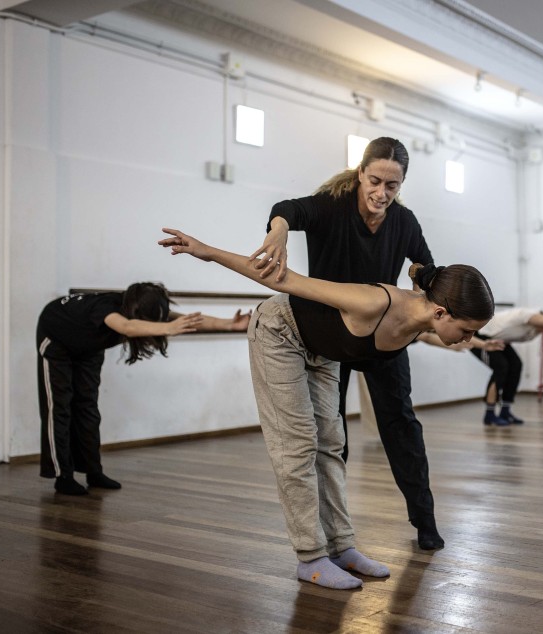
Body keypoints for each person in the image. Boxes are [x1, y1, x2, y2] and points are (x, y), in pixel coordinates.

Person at [160, 227, 494, 589]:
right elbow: (281, 277)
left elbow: (427, 299)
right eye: (467, 330)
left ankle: (340, 547)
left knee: (331, 444)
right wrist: (206, 250)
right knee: (299, 444)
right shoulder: (374, 302)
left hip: (322, 350)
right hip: (280, 332)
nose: (468, 339)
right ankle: (311, 557)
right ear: (442, 312)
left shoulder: (424, 313)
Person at [250, 137, 446, 549]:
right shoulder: (331, 204)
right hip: (329, 337)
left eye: (392, 186)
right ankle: (333, 533)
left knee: (401, 424)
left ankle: (425, 521)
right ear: (360, 172)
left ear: (401, 184)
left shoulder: (404, 221)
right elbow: (288, 210)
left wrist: (423, 276)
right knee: (329, 433)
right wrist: (279, 232)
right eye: (375, 181)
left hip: (382, 336)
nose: (381, 193)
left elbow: (424, 264)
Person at [38, 283, 250, 496]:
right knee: (59, 407)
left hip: (88, 346)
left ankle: (93, 472)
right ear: (136, 311)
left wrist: (230, 324)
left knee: (88, 408)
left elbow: (190, 320)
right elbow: (127, 327)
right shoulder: (108, 309)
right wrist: (168, 328)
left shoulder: (150, 309)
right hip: (57, 338)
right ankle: (62, 476)